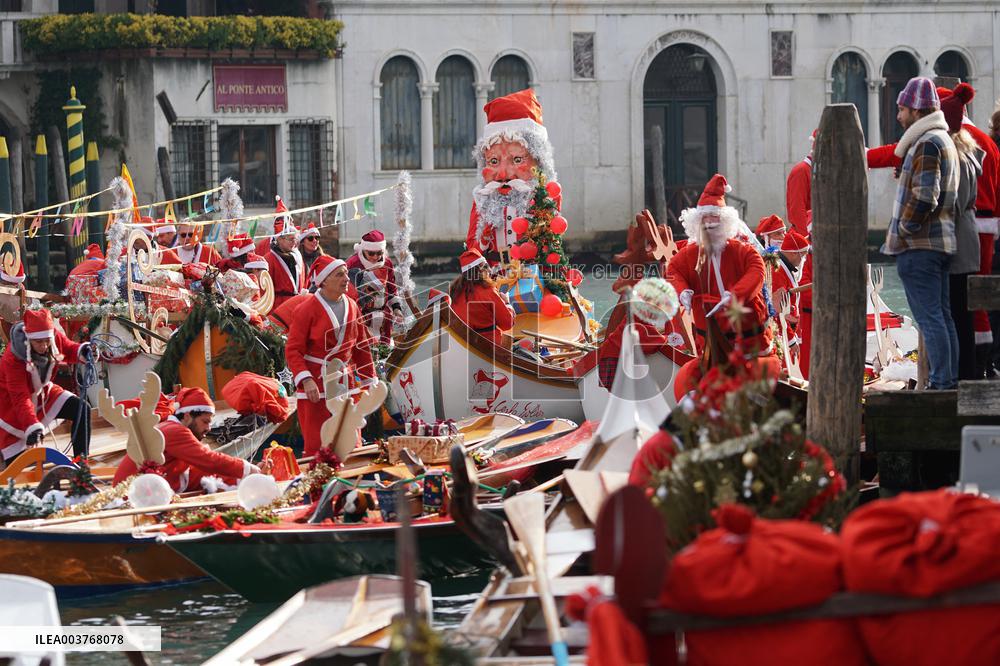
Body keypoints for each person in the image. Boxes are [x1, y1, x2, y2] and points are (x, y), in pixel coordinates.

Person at [667, 174, 778, 397]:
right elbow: (673, 271)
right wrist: (683, 291)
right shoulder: (689, 255)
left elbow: (756, 270)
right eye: (704, 221)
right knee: (695, 375)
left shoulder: (742, 251)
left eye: (714, 220)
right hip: (710, 341)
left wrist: (735, 295)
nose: (709, 225)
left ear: (725, 223)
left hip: (748, 340)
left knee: (757, 370)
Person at [881, 77, 960, 390]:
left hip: (921, 245)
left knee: (930, 319)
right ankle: (947, 380)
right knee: (941, 316)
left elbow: (926, 195)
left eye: (901, 108)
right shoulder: (942, 139)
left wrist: (903, 229)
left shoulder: (927, 142)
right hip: (938, 243)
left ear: (915, 110)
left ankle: (942, 383)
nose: (899, 115)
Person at [285, 255, 375, 456]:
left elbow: (361, 347)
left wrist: (370, 380)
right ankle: (318, 483)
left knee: (351, 442)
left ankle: (352, 480)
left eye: (346, 273)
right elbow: (293, 350)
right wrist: (306, 380)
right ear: (324, 280)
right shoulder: (306, 309)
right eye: (339, 274)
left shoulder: (352, 305)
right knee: (319, 445)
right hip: (317, 387)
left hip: (346, 383)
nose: (346, 278)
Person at [466, 89, 560, 262]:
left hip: (533, 275)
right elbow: (472, 249)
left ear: (539, 162)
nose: (503, 175)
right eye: (493, 162)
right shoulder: (482, 199)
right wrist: (484, 236)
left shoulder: (545, 195)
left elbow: (550, 245)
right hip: (492, 277)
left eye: (517, 159)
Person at [112, 387, 263, 491]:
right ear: (186, 416)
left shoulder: (169, 427)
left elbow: (198, 470)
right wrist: (250, 470)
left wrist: (242, 477)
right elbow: (209, 460)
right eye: (205, 422)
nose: (209, 428)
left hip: (138, 490)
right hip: (132, 496)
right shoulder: (176, 431)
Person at [0, 309, 92, 462]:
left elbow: (68, 348)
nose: (44, 346)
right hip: (11, 404)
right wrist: (32, 425)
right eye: (38, 342)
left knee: (82, 408)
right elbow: (20, 396)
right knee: (21, 464)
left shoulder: (51, 336)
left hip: (42, 392)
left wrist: (83, 351)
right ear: (29, 339)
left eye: (46, 341)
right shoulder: (12, 358)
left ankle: (81, 463)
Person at [948, 114, 985, 380]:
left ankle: (964, 375)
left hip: (959, 241)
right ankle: (966, 373)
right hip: (967, 239)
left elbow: (956, 204)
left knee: (958, 311)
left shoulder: (958, 159)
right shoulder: (968, 153)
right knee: (962, 312)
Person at [596, 277, 675, 390]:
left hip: (613, 356)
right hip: (614, 358)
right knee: (620, 396)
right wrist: (668, 339)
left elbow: (648, 334)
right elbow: (645, 340)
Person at [346, 230, 404, 347]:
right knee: (363, 350)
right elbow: (347, 293)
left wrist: (397, 309)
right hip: (361, 317)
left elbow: (391, 288)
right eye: (371, 253)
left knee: (385, 350)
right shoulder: (352, 263)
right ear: (363, 250)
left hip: (384, 318)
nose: (375, 257)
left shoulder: (387, 262)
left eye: (379, 253)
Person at [451, 249, 515, 347]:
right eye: (486, 266)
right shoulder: (488, 291)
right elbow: (507, 324)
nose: (490, 270)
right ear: (478, 270)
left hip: (462, 343)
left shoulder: (454, 292)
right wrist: (507, 303)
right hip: (489, 346)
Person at [265, 217, 306, 309]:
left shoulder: (297, 257)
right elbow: (266, 289)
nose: (294, 243)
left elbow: (304, 281)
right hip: (279, 306)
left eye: (295, 239)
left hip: (298, 304)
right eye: (291, 239)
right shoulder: (269, 259)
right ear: (280, 239)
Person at [786, 130, 816, 237]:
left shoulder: (816, 171)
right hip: (805, 236)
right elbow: (797, 209)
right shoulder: (801, 171)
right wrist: (806, 238)